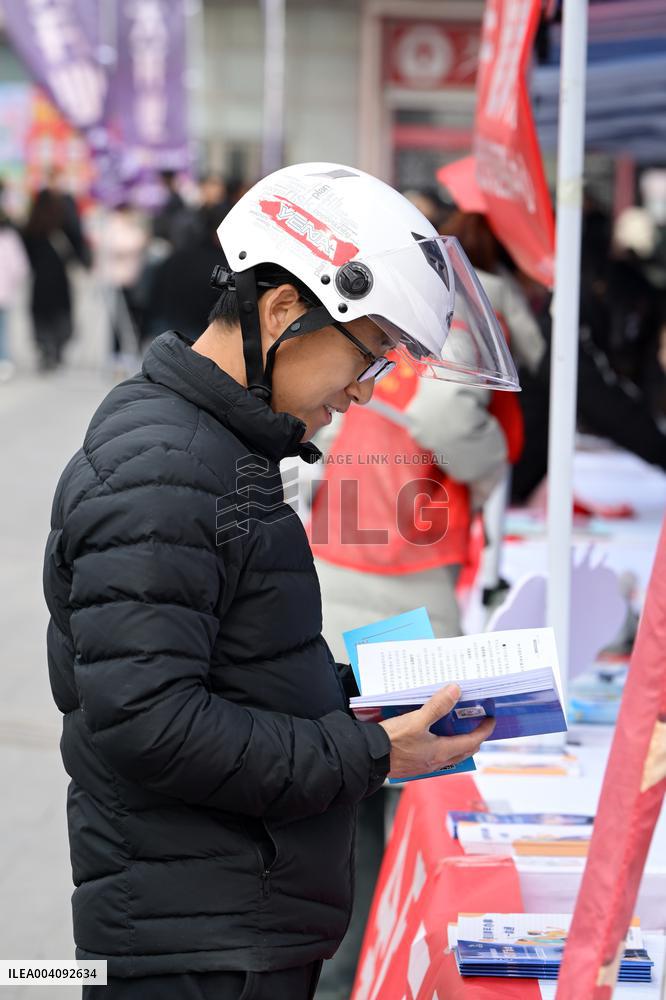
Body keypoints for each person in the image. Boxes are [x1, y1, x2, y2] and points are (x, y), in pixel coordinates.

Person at [43, 162, 516, 999]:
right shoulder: (167, 466)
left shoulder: (216, 449)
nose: (363, 396)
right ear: (283, 311)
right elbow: (149, 722)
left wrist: (364, 699)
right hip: (196, 946)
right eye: (366, 359)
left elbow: (237, 670)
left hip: (227, 921)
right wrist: (369, 751)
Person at [22, 187, 90, 371]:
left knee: (41, 315)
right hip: (60, 278)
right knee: (61, 313)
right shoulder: (62, 223)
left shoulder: (31, 226)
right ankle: (57, 348)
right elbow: (76, 245)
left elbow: (26, 255)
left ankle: (46, 348)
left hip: (40, 280)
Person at [0, 179, 29, 381]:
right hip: (3, 292)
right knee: (3, 329)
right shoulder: (9, 238)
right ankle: (4, 361)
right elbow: (20, 267)